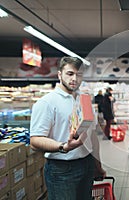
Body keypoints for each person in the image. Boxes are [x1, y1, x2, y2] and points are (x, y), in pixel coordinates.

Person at [30, 56, 106, 200]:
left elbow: (92, 136)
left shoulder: (84, 101)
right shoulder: (47, 102)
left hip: (87, 163)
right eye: (70, 74)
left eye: (79, 75)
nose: (75, 79)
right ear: (60, 74)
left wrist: (97, 165)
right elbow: (35, 140)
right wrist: (63, 147)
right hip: (61, 169)